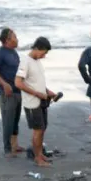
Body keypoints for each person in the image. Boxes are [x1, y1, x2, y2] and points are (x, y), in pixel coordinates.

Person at [16, 37, 58, 167]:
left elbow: (36, 82)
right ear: (36, 48)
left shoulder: (37, 62)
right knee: (37, 130)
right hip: (32, 102)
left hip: (42, 100)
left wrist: (48, 91)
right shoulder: (25, 62)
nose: (44, 56)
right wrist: (37, 93)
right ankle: (37, 158)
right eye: (43, 52)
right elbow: (18, 83)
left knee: (42, 128)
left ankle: (40, 154)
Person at [0, 28, 23, 157]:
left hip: (18, 90)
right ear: (8, 39)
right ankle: (7, 149)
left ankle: (15, 145)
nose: (17, 39)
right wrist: (4, 84)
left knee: (15, 120)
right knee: (8, 121)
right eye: (15, 36)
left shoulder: (13, 52)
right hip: (7, 93)